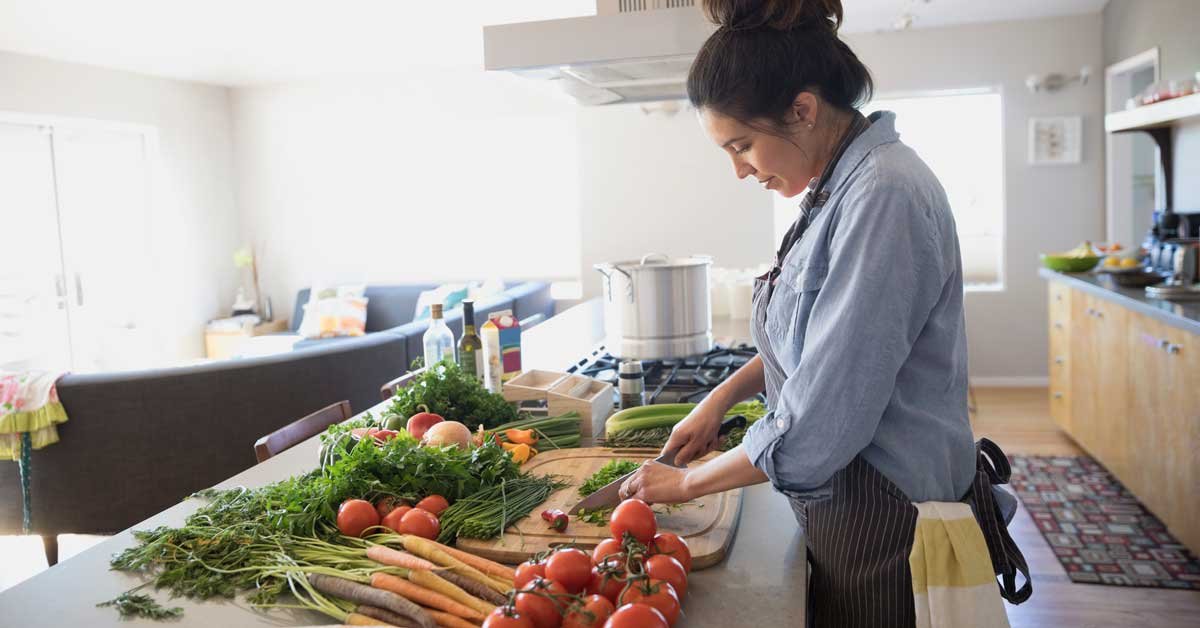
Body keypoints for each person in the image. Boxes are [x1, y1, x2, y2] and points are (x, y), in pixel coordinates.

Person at [618, 1, 1028, 626]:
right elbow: (817, 334)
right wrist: (720, 399)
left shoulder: (882, 196)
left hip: (894, 526)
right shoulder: (839, 185)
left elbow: (819, 426)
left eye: (743, 145)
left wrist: (684, 485)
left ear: (802, 110)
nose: (739, 170)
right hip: (861, 511)